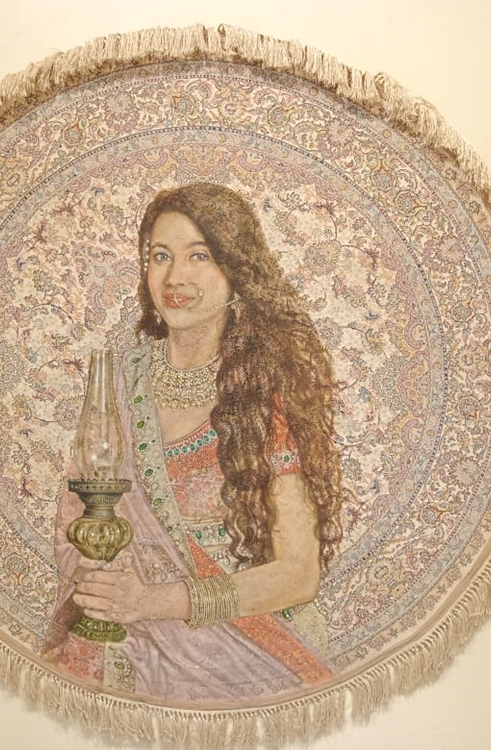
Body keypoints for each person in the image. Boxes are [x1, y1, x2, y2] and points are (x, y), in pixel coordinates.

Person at [44, 183, 347, 701]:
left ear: (236, 273)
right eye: (160, 256)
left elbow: (299, 574)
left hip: (230, 647)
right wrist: (101, 579)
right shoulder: (117, 382)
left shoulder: (264, 392)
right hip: (114, 632)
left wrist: (154, 600)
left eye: (199, 256)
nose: (175, 278)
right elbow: (76, 520)